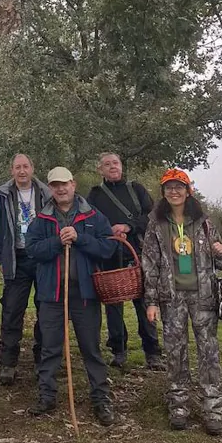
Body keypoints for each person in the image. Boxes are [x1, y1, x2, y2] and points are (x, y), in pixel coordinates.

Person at [141, 169, 222, 434]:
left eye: (179, 187)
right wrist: (151, 301)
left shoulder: (204, 222)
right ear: (163, 193)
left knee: (208, 353)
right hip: (171, 299)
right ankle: (178, 405)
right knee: (175, 353)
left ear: (188, 190)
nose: (174, 192)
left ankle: (213, 409)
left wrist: (221, 252)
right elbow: (149, 264)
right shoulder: (156, 224)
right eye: (168, 187)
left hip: (203, 298)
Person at [26, 168, 118, 425]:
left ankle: (101, 399)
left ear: (73, 184)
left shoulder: (93, 216)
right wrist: (57, 241)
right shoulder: (42, 218)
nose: (60, 189)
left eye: (64, 184)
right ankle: (47, 396)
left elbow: (107, 247)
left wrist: (80, 238)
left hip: (85, 295)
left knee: (91, 349)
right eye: (55, 185)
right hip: (52, 294)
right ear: (50, 188)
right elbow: (32, 249)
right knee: (50, 348)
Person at [87, 152, 163, 371]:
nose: (112, 167)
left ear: (121, 166)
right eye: (107, 164)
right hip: (110, 254)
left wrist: (129, 227)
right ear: (100, 169)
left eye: (116, 163)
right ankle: (118, 350)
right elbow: (90, 221)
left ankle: (152, 352)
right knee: (113, 306)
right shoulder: (95, 195)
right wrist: (109, 232)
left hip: (137, 254)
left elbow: (152, 215)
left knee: (144, 304)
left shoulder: (136, 189)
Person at [0, 154, 51, 385]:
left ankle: (42, 359)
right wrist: (1, 256)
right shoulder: (3, 195)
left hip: (42, 257)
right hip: (16, 258)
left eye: (26, 166)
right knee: (12, 310)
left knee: (45, 310)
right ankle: (8, 363)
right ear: (12, 171)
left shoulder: (46, 193)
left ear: (32, 168)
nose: (22, 171)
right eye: (18, 167)